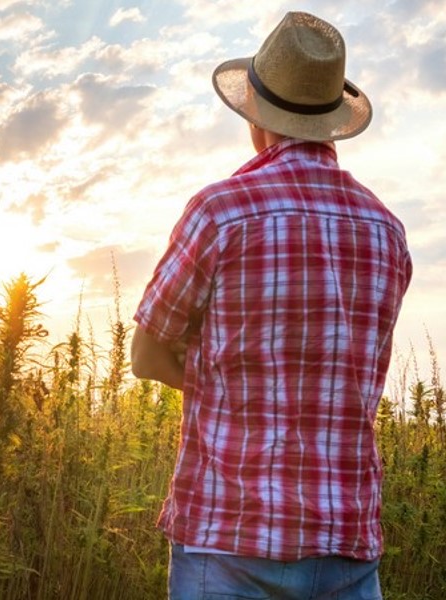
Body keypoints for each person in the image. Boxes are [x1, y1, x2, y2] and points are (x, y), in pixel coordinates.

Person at [130, 11, 412, 600]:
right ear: (333, 122)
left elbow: (147, 355)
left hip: (229, 534)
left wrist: (222, 378)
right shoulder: (388, 231)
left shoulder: (221, 211)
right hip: (346, 542)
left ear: (256, 118)